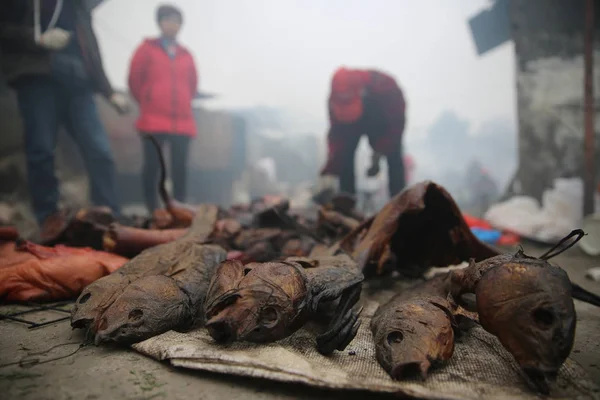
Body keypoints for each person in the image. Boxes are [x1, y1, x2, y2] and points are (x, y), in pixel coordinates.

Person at [0, 0, 128, 233]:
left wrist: (108, 91)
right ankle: (48, 218)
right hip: (37, 77)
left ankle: (110, 216)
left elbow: (91, 50)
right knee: (41, 149)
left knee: (99, 150)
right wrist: (34, 38)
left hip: (79, 83)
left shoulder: (78, 6)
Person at [128, 4, 198, 214]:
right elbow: (134, 80)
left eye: (176, 21)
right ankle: (152, 208)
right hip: (153, 119)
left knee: (180, 169)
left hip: (182, 121)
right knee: (153, 166)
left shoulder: (187, 55)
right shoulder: (146, 49)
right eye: (168, 20)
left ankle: (179, 210)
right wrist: (149, 100)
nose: (172, 25)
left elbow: (192, 85)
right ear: (160, 23)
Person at [319, 67, 407, 198]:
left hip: (381, 120)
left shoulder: (386, 89)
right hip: (351, 127)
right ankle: (346, 201)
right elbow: (337, 138)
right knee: (345, 155)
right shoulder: (334, 99)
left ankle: (400, 206)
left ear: (362, 92)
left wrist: (378, 153)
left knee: (394, 157)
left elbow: (395, 128)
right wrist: (330, 171)